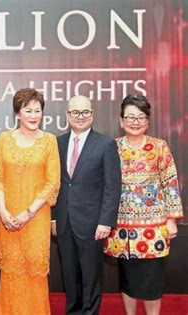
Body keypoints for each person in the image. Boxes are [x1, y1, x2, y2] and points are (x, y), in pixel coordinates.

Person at [104, 95, 183, 315]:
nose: (135, 121)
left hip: (154, 228)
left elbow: (170, 182)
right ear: (121, 121)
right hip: (121, 227)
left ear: (148, 121)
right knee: (127, 277)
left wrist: (171, 219)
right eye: (130, 117)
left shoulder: (159, 147)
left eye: (141, 117)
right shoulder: (113, 147)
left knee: (151, 279)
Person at [0, 88, 60, 314]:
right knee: (11, 274)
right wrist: (2, 211)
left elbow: (53, 183)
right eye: (27, 110)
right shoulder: (5, 139)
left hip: (36, 218)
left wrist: (28, 213)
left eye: (37, 110)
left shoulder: (49, 141)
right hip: (8, 218)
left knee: (35, 274)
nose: (33, 115)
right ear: (17, 113)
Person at [52, 95, 122, 315]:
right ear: (67, 115)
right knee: (70, 277)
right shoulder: (57, 143)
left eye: (84, 112)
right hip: (63, 222)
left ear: (92, 114)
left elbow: (113, 187)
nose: (79, 116)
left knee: (91, 277)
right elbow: (53, 184)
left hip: (93, 224)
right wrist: (53, 217)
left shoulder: (105, 144)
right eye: (75, 112)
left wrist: (105, 221)